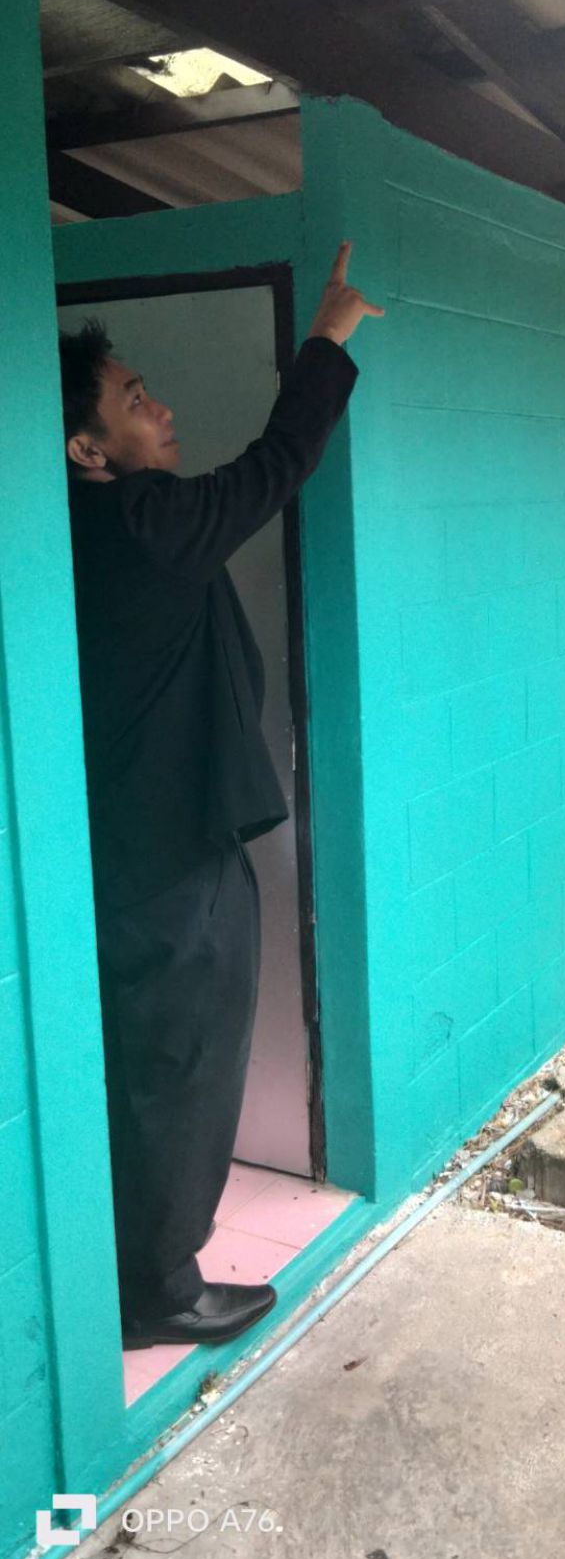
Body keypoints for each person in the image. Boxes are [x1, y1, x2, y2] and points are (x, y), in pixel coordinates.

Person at [60, 243, 383, 1352]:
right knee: (182, 1072)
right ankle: (159, 1290)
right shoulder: (141, 523)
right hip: (172, 857)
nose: (161, 411)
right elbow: (276, 464)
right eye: (133, 401)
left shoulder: (74, 531)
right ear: (87, 450)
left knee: (145, 1067)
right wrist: (327, 335)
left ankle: (132, 1267)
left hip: (122, 845)